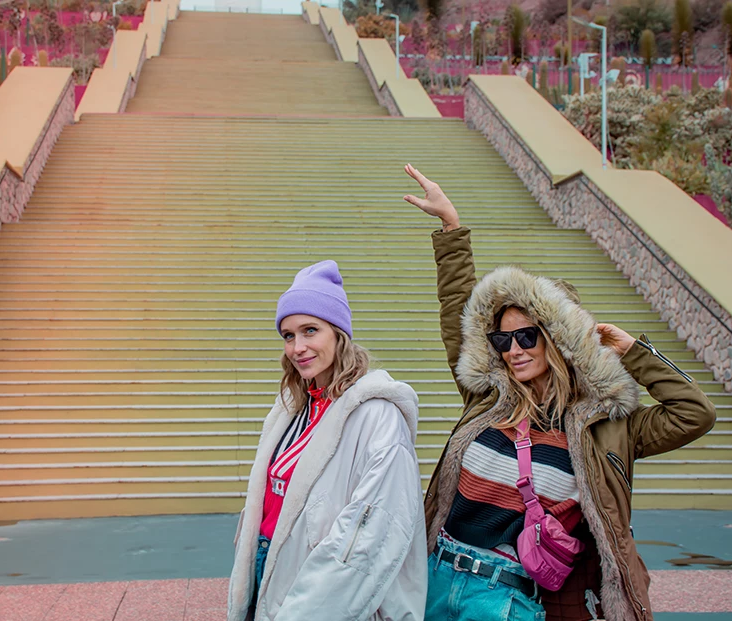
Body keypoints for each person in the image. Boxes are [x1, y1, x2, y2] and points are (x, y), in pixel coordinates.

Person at [402, 164, 716, 621]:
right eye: (502, 339)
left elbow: (695, 413)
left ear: (558, 340)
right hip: (435, 578)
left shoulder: (606, 428)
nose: (514, 350)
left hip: (505, 599)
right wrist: (451, 229)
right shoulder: (488, 401)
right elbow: (457, 313)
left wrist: (634, 352)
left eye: (527, 336)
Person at [227, 260, 428, 621]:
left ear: (338, 333)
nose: (297, 347)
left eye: (310, 330)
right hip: (268, 565)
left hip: (321, 587)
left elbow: (369, 537)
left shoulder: (378, 415)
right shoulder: (292, 407)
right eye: (288, 335)